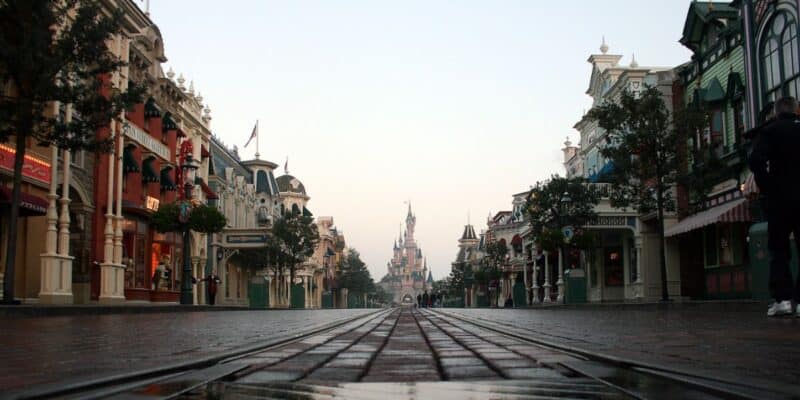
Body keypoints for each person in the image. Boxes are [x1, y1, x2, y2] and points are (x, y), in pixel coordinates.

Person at [749, 96, 800, 317]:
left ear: (777, 112)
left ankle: (783, 300)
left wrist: (768, 185)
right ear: (796, 110)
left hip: (779, 199)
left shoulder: (770, 131)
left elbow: (755, 160)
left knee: (779, 250)